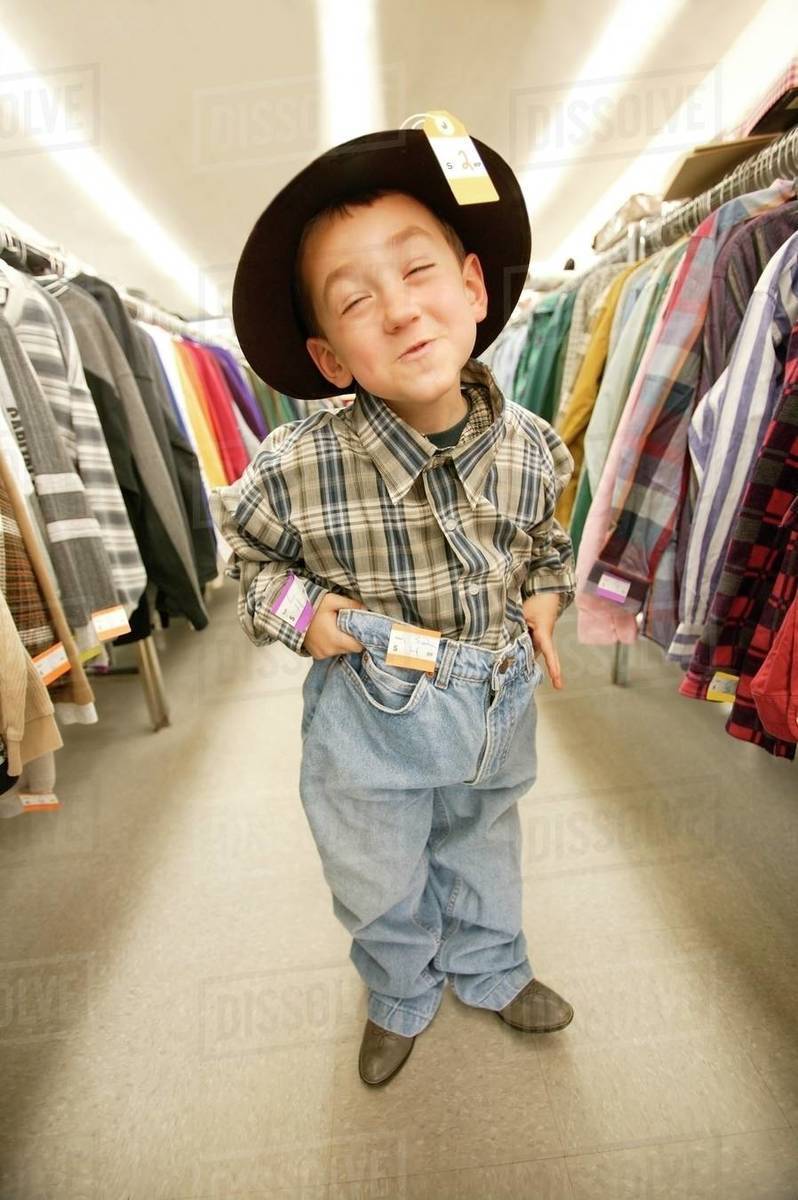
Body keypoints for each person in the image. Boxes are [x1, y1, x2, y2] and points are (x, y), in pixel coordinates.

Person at [210, 125, 576, 1088]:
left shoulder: (536, 447)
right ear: (330, 357)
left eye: (417, 273)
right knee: (375, 870)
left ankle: (492, 968)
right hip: (371, 708)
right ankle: (401, 987)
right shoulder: (293, 467)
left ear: (473, 286)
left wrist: (544, 593)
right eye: (357, 301)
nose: (401, 311)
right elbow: (247, 562)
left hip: (496, 696)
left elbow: (544, 538)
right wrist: (304, 617)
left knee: (484, 838)